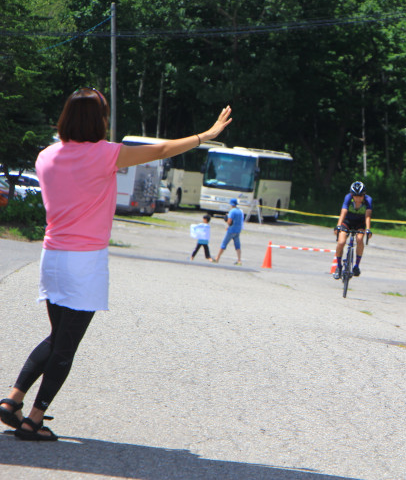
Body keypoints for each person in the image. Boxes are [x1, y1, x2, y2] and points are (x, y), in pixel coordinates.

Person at [0, 88, 232, 440]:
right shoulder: (106, 155)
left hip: (52, 258)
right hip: (85, 262)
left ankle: (13, 401)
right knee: (65, 346)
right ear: (99, 120)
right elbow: (165, 149)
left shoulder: (45, 156)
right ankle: (34, 419)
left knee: (57, 336)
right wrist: (206, 136)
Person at [332, 181, 372, 279]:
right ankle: (339, 266)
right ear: (352, 195)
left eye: (360, 196)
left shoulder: (368, 200)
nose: (358, 198)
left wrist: (368, 229)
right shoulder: (348, 198)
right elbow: (343, 212)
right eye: (355, 196)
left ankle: (356, 266)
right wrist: (338, 225)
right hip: (347, 221)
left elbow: (367, 216)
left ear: (364, 195)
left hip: (360, 223)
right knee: (341, 242)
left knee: (359, 239)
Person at [213, 198, 243, 265]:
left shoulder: (232, 211)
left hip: (231, 230)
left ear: (231, 204)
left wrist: (226, 220)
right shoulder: (240, 211)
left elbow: (229, 222)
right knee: (237, 246)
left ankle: (217, 258)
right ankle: (239, 260)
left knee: (224, 244)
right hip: (238, 230)